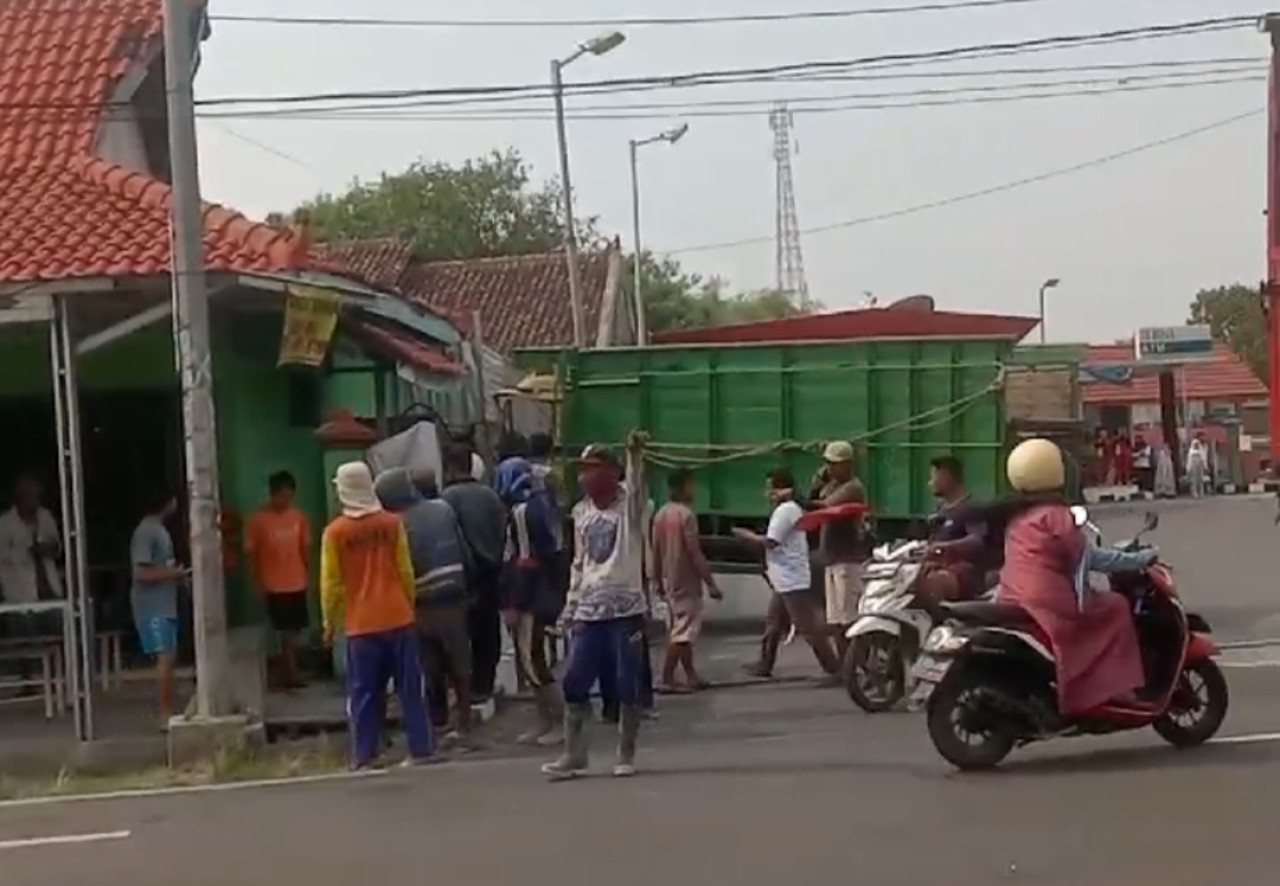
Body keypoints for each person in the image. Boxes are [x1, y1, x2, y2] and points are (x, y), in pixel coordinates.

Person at [985, 438, 1151, 715]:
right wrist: (1139, 559)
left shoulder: (1017, 516)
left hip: (1012, 595)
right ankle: (1114, 689)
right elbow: (1089, 557)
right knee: (1116, 607)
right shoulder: (1056, 515)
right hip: (1049, 600)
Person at [543, 444, 650, 780]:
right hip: (590, 609)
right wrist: (571, 606)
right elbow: (579, 563)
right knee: (574, 681)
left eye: (593, 468)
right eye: (584, 469)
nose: (585, 476)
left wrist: (635, 457)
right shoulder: (581, 512)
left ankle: (625, 751)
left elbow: (638, 487)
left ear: (612, 472)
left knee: (627, 684)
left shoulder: (630, 507)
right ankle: (574, 754)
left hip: (626, 610)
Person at [321, 462, 433, 768]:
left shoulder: (335, 533)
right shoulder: (392, 523)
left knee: (364, 693)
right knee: (410, 688)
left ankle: (364, 754)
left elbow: (331, 584)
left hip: (361, 624)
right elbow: (405, 570)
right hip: (398, 616)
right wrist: (409, 605)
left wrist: (330, 624)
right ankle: (420, 749)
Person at [374, 466, 475, 745]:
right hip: (453, 594)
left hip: (420, 601)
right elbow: (464, 551)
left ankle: (437, 721)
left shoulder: (394, 523)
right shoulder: (443, 509)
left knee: (429, 665)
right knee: (459, 662)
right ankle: (464, 721)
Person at [734, 467, 841, 682]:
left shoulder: (786, 510)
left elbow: (771, 542)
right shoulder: (789, 508)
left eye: (769, 489)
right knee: (774, 622)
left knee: (807, 627)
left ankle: (834, 669)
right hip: (784, 577)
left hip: (791, 578)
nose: (767, 494)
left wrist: (746, 536)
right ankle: (765, 664)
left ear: (780, 489)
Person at [494, 456, 564, 746]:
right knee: (532, 659)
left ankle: (558, 723)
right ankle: (545, 722)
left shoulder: (523, 512)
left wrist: (514, 602)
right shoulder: (542, 505)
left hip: (531, 598)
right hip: (543, 592)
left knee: (534, 660)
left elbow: (525, 562)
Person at [441, 442, 508, 704]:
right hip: (492, 572)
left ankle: (464, 688)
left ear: (450, 467)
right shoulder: (491, 496)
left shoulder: (447, 499)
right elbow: (503, 532)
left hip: (463, 575)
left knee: (461, 633)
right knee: (488, 630)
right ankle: (484, 683)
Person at [651, 468, 722, 693]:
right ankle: (666, 677)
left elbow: (655, 550)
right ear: (683, 487)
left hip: (670, 580)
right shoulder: (686, 515)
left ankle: (691, 675)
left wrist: (657, 579)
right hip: (687, 580)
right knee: (683, 633)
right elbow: (695, 553)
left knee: (680, 628)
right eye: (691, 485)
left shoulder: (661, 514)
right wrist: (711, 583)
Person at [244, 471, 312, 689]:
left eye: (289, 496)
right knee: (280, 631)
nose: (285, 501)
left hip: (297, 581)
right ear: (273, 494)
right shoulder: (258, 520)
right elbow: (251, 555)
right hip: (272, 585)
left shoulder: (299, 517)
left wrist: (310, 576)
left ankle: (289, 670)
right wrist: (256, 583)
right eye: (282, 496)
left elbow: (305, 549)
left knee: (295, 630)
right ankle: (288, 671)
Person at [129, 490, 185, 729]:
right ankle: (164, 714)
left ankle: (169, 709)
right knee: (164, 657)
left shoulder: (159, 530)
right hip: (152, 605)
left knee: (170, 657)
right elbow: (140, 573)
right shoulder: (146, 532)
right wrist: (173, 573)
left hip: (165, 603)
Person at [811, 441, 868, 658]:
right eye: (828, 463)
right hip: (832, 558)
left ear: (848, 464)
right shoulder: (832, 485)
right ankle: (845, 664)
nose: (830, 468)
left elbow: (824, 507)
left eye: (834, 464)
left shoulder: (852, 487)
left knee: (848, 619)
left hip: (847, 559)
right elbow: (816, 497)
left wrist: (793, 496)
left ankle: (857, 663)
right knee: (835, 620)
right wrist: (818, 482)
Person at [919, 455, 987, 602]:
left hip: (962, 573)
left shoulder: (971, 508)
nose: (930, 483)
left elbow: (977, 540)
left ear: (947, 478)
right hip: (936, 568)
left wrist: (946, 547)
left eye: (934, 477)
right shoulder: (940, 509)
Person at [1186, 433, 1210, 498]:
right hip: (1195, 458)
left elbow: (1204, 455)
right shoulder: (1195, 442)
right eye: (1202, 437)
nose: (1204, 438)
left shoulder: (1204, 445)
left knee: (1200, 478)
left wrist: (1205, 465)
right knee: (1194, 477)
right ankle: (1195, 492)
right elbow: (1195, 451)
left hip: (1201, 460)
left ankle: (1201, 492)